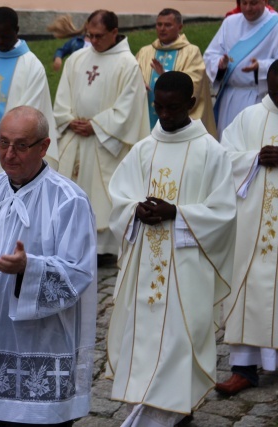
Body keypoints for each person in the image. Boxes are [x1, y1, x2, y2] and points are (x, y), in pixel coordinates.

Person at [0, 106, 97, 426]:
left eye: (21, 145)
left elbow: (78, 272)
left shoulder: (69, 200)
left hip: (43, 342)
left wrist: (29, 268)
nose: (9, 154)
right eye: (3, 143)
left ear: (44, 146)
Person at [106, 71, 237, 426]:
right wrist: (136, 209)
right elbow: (119, 195)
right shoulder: (144, 148)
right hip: (144, 260)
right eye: (158, 107)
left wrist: (176, 212)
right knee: (146, 336)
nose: (163, 115)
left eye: (172, 107)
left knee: (182, 336)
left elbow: (224, 211)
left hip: (186, 264)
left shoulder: (211, 151)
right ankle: (152, 403)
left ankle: (177, 407)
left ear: (192, 105)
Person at [53, 9, 149, 257]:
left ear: (114, 33)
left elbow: (129, 108)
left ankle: (103, 250)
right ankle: (67, 241)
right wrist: (68, 119)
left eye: (99, 36)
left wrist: (96, 125)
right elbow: (62, 95)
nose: (93, 41)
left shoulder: (128, 65)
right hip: (75, 137)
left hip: (105, 142)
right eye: (89, 35)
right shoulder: (76, 59)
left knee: (101, 195)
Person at [217, 60, 278, 396]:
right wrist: (255, 158)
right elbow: (222, 159)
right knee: (246, 287)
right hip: (251, 223)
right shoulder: (249, 118)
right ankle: (244, 367)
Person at [0, 6, 59, 172]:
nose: (0, 41)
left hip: (12, 151)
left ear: (17, 30)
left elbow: (30, 114)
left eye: (5, 36)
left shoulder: (32, 67)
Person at [136, 8, 217, 137]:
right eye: (159, 24)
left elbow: (193, 84)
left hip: (178, 124)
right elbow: (134, 75)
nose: (162, 29)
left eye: (168, 25)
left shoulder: (191, 52)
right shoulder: (145, 52)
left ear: (180, 27)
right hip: (147, 122)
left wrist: (166, 75)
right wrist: (138, 83)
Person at [204, 0, 278, 138]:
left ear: (265, 1)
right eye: (244, 3)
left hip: (258, 97)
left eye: (253, 3)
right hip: (229, 98)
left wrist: (261, 67)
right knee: (227, 140)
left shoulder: (275, 25)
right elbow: (210, 55)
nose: (248, 8)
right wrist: (220, 65)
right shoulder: (230, 23)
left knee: (252, 139)